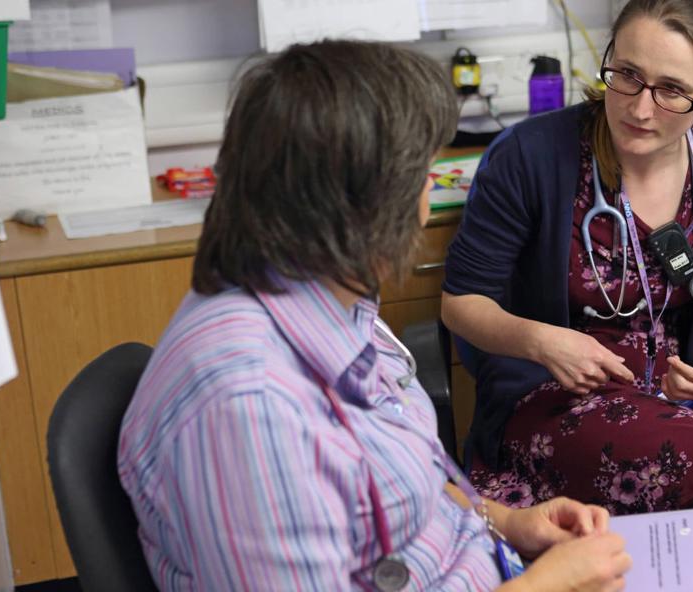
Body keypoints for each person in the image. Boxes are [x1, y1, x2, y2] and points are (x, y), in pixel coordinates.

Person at [117, 40, 632, 591]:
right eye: (420, 174)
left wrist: (505, 523)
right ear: (360, 204)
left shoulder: (325, 304)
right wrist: (546, 586)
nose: (429, 190)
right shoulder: (249, 409)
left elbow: (392, 486)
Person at [441, 0, 693, 515]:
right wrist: (545, 341)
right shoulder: (531, 156)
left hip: (680, 397)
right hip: (554, 395)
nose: (640, 109)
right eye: (626, 75)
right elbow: (462, 303)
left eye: (671, 90)